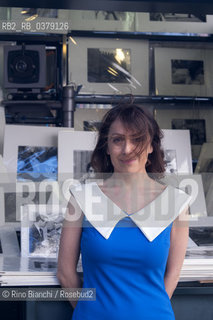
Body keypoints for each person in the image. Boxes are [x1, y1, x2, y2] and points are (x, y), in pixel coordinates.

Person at [57, 103, 191, 320]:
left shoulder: (177, 203)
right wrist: (92, 312)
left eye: (137, 139)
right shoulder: (81, 199)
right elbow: (65, 273)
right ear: (107, 147)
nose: (127, 149)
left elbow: (172, 276)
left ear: (151, 146)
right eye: (117, 140)